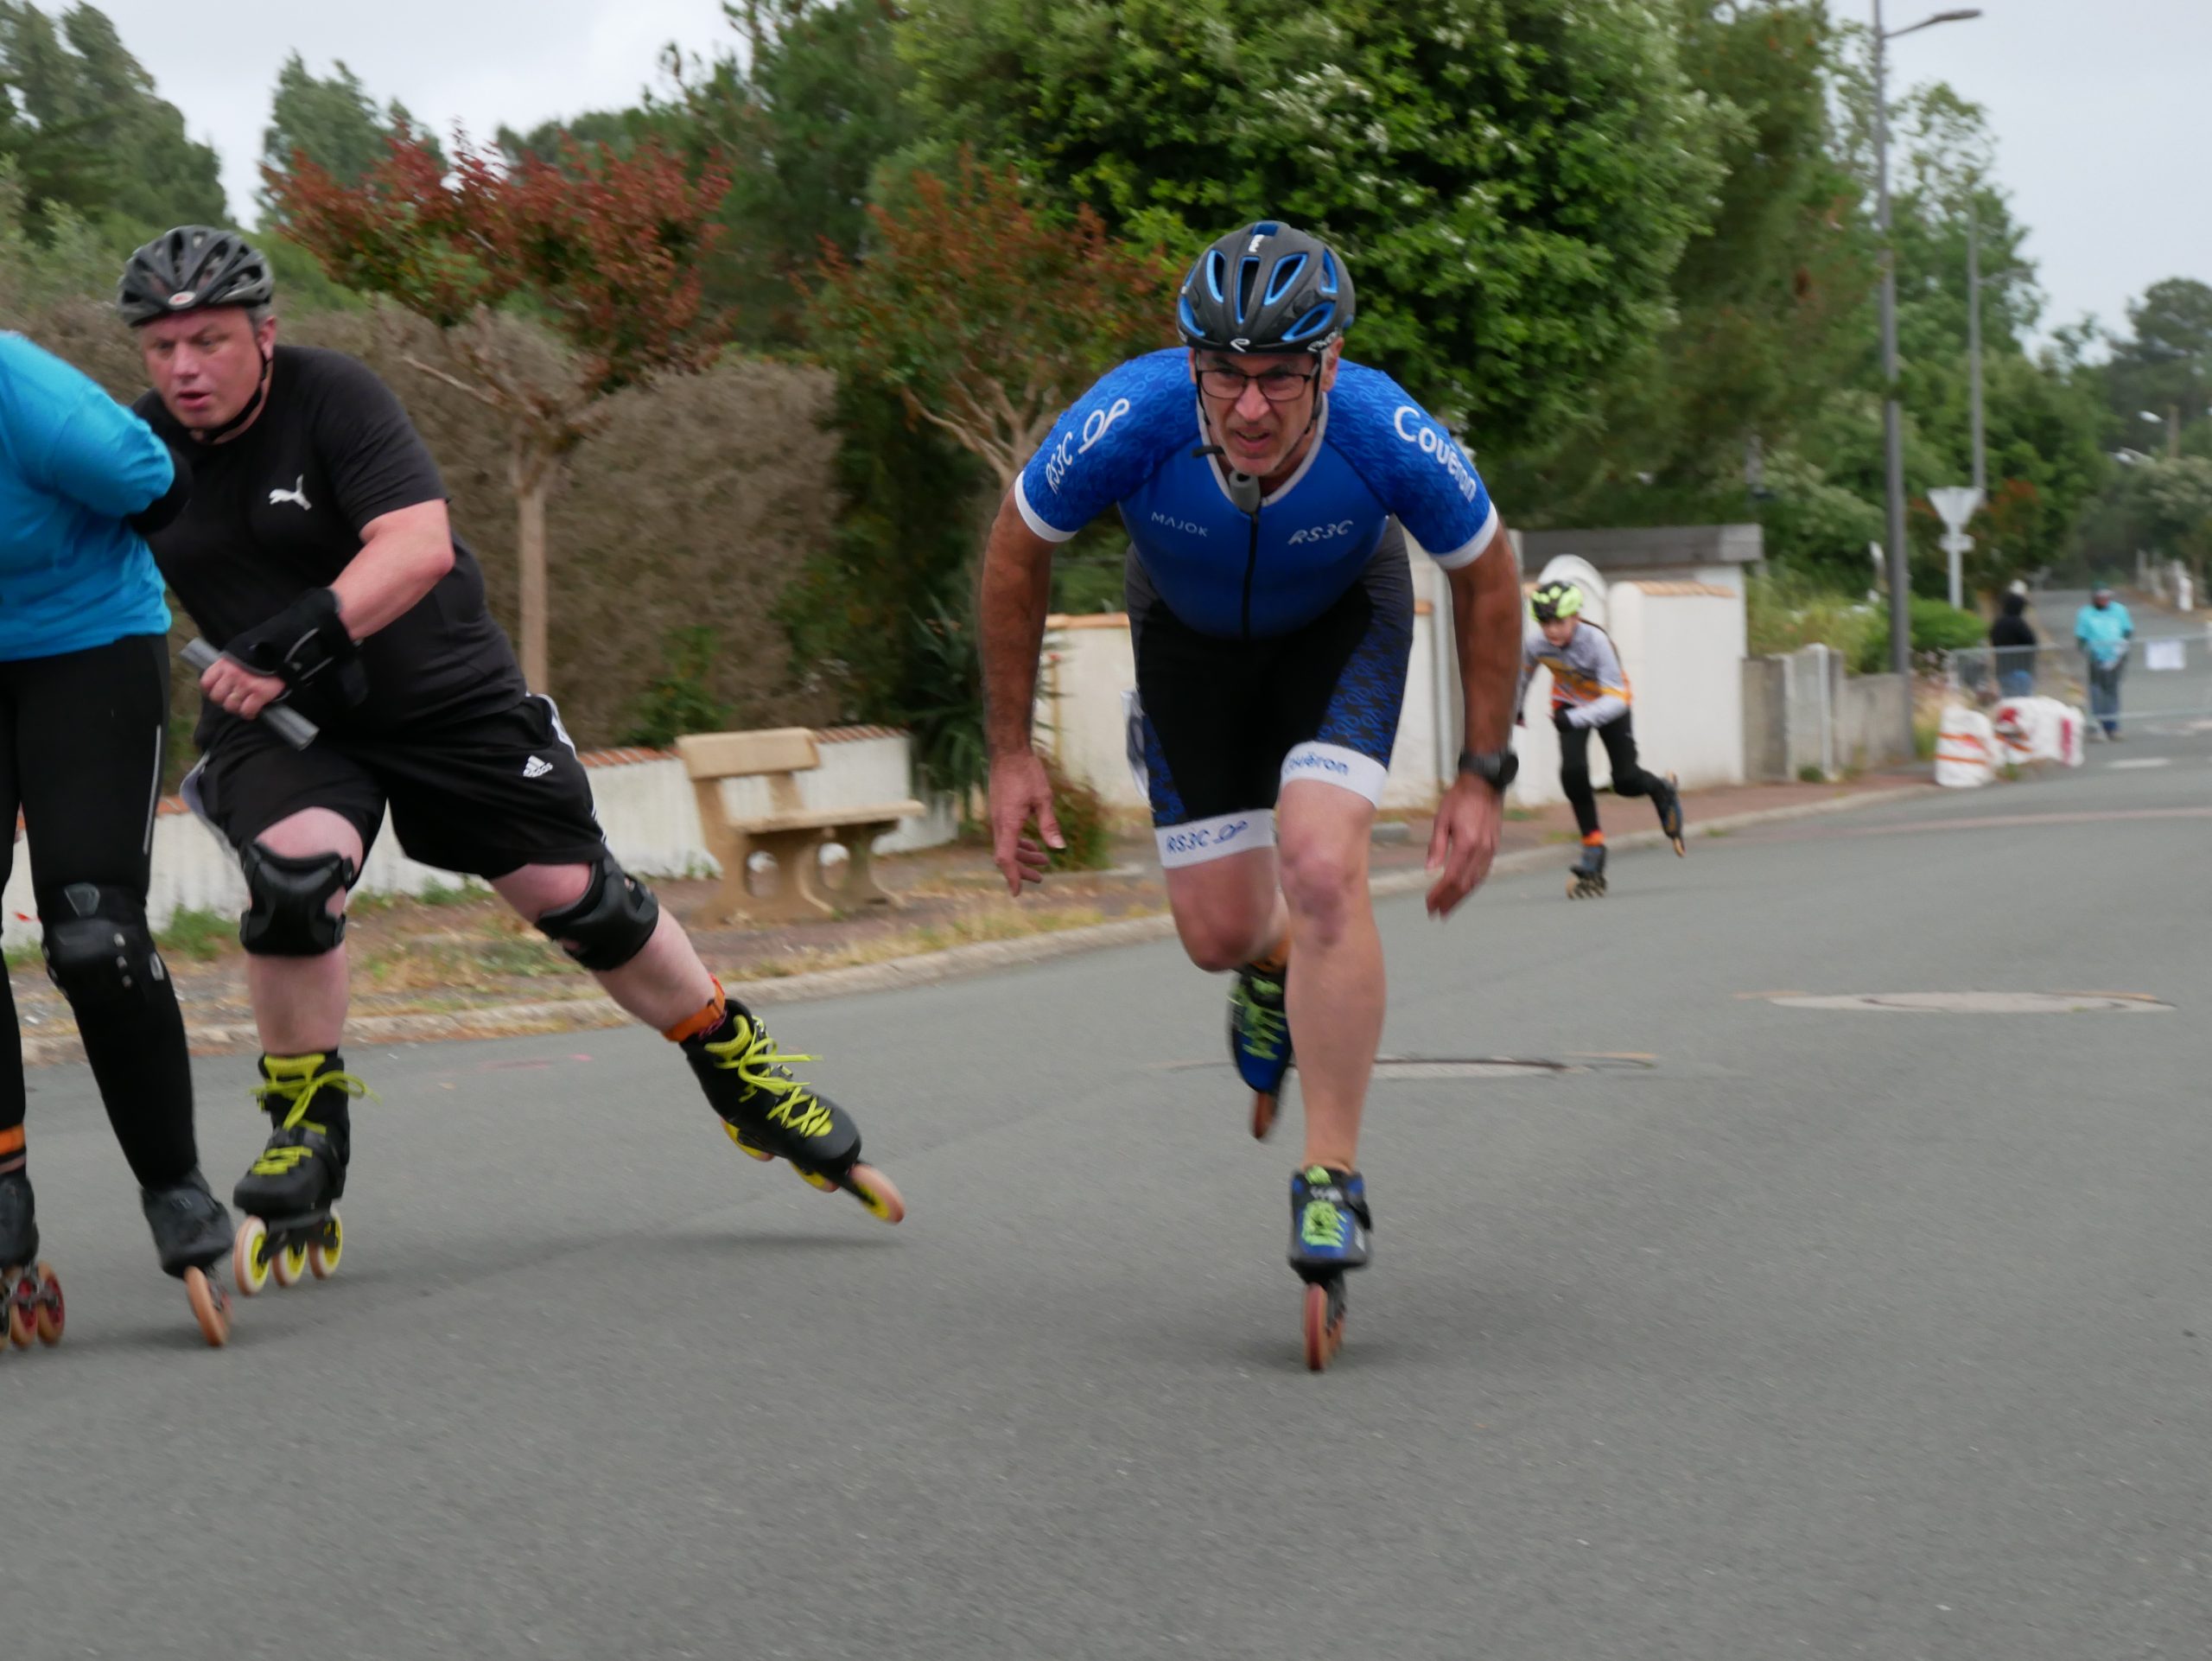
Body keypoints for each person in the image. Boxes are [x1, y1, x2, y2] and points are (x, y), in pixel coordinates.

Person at [118, 226, 902, 1298]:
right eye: (161, 348)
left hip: (442, 696)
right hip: (287, 720)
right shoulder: (136, 445)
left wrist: (286, 639)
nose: (184, 368)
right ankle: (307, 1129)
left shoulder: (333, 396)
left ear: (264, 333)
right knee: (293, 882)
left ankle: (735, 1065)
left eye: (209, 340)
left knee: (583, 902)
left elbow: (416, 545)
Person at [977, 220, 1524, 1369]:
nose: (1251, 405)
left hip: (1340, 630)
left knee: (1321, 863)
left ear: (1330, 363)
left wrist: (1483, 772)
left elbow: (1486, 572)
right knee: (1218, 933)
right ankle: (1270, 962)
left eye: (1281, 375)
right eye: (1225, 373)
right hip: (1186, 643)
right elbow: (1016, 547)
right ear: (1191, 363)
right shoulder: (1134, 414)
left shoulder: (1382, 428)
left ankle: (1330, 1176)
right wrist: (1011, 752)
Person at [0, 330, 236, 1346]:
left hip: (85, 644)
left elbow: (158, 489)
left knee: (93, 932)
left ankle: (175, 1186)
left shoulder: (26, 395)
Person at [1519, 579, 1685, 899]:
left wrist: (1575, 718)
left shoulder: (1596, 642)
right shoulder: (1537, 644)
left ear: (1576, 617)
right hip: (1569, 702)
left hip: (1609, 704)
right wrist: (1516, 709)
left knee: (1625, 781)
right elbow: (1522, 676)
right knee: (1573, 771)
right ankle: (1593, 844)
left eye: (1558, 622)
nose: (1551, 630)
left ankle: (1661, 789)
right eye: (1545, 623)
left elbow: (1617, 700)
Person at [2074, 583, 2133, 740]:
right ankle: (2095, 725)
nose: (2104, 600)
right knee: (2096, 691)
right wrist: (2086, 652)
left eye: (2106, 597)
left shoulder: (2119, 610)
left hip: (2116, 656)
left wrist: (2122, 648)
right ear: (2094, 598)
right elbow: (2081, 637)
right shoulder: (2086, 613)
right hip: (2096, 657)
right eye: (2100, 597)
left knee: (2111, 690)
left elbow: (2127, 631)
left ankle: (2112, 726)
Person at [1989, 590, 2038, 699]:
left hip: (2002, 670)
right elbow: (2031, 641)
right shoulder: (2018, 623)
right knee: (2023, 702)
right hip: (2020, 670)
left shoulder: (1998, 623)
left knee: (2008, 700)